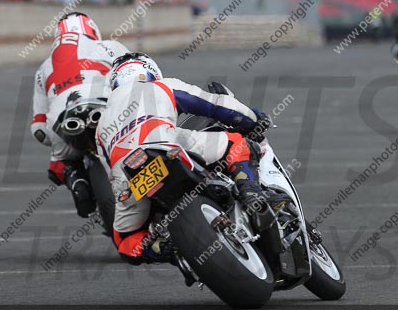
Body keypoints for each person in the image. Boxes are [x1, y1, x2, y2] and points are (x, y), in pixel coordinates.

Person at [96, 52, 273, 265]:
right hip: (165, 145)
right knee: (237, 144)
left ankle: (165, 248)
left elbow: (110, 175)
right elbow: (214, 104)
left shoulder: (101, 123)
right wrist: (253, 119)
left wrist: (126, 195)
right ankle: (251, 193)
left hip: (129, 175)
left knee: (125, 240)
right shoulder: (162, 86)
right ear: (151, 72)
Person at [30, 12, 130, 218]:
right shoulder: (109, 47)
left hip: (63, 121)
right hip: (105, 112)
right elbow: (138, 77)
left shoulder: (43, 69)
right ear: (92, 29)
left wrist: (53, 140)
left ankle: (75, 176)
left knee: (58, 164)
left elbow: (38, 128)